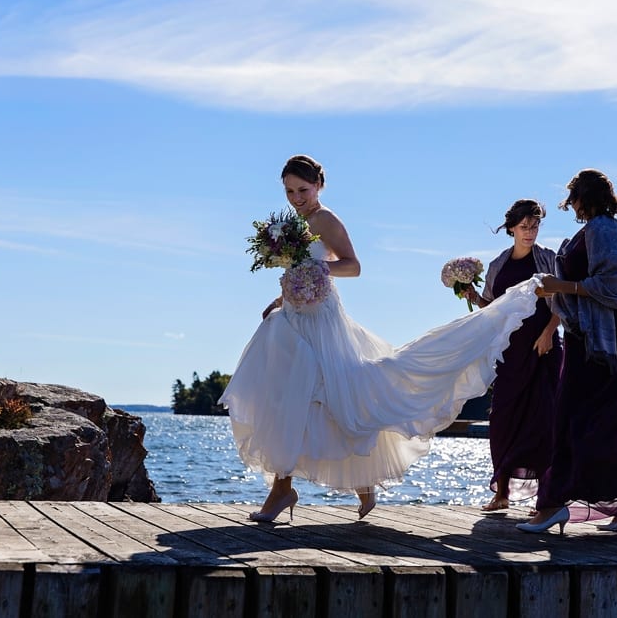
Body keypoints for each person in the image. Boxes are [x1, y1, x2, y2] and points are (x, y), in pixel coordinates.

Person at [219, 155, 541, 522]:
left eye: (303, 190)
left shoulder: (325, 219)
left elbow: (352, 265)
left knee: (334, 397)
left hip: (322, 322)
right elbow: (297, 270)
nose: (296, 197)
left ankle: (304, 487)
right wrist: (281, 297)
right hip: (293, 318)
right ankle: (302, 486)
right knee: (293, 397)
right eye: (290, 191)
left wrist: (316, 268)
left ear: (318, 186)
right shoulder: (295, 224)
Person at [516, 169, 617, 535]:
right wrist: (555, 291)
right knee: (588, 422)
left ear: (584, 197)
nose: (570, 205)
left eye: (573, 197)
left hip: (601, 343)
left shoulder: (603, 229)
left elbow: (612, 284)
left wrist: (562, 285)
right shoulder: (590, 230)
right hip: (582, 339)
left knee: (580, 423)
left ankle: (553, 504)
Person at [463, 200, 561, 512]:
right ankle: (501, 493)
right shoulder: (498, 266)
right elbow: (493, 310)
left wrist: (548, 333)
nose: (530, 232)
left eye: (535, 226)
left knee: (544, 422)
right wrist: (474, 297)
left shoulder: (548, 258)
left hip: (543, 349)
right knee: (502, 420)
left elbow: (562, 302)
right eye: (524, 227)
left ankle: (547, 496)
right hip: (509, 353)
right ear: (511, 229)